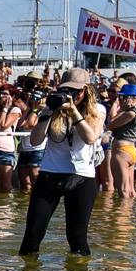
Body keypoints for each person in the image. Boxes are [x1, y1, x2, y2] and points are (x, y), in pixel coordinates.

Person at [19, 68, 106, 256]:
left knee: (77, 237)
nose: (72, 95)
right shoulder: (52, 108)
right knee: (32, 234)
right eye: (68, 91)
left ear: (87, 90)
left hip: (82, 177)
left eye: (77, 91)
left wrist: (74, 111)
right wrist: (48, 111)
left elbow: (90, 138)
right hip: (50, 174)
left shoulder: (98, 110)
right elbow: (35, 141)